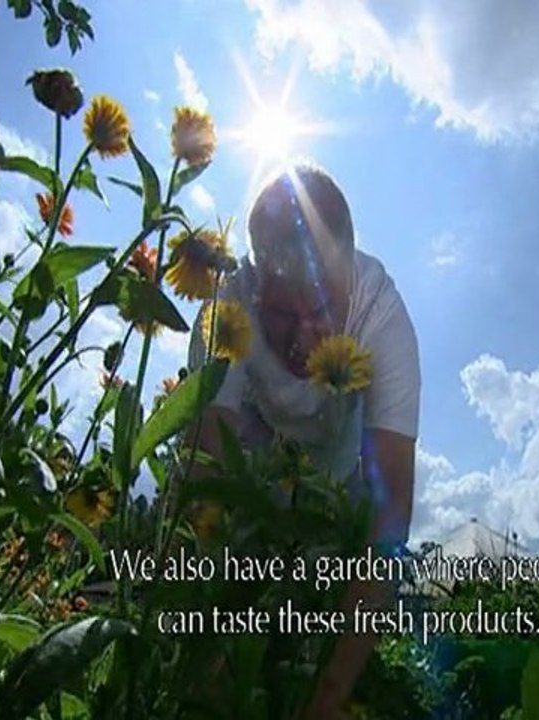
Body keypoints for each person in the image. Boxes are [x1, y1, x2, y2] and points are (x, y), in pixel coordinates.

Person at [184, 161, 421, 718]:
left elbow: (389, 525)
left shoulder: (383, 319)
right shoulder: (225, 313)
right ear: (255, 278)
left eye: (322, 307)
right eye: (283, 312)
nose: (305, 335)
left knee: (322, 618)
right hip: (256, 451)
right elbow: (201, 485)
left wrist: (328, 699)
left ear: (349, 276)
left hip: (339, 474)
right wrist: (208, 663)